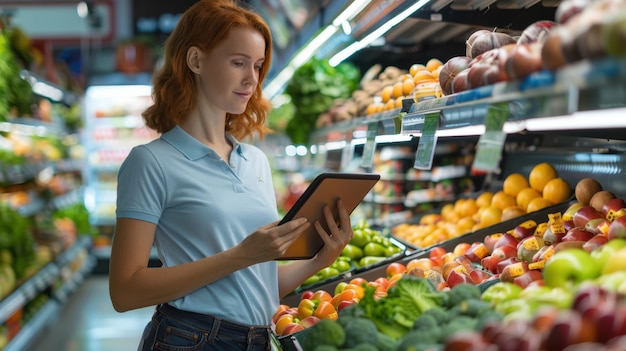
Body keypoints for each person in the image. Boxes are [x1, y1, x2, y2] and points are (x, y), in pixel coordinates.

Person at [108, 0, 354, 350]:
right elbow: (124, 291)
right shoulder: (150, 162)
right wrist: (240, 255)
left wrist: (319, 260)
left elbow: (257, 286)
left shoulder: (254, 160)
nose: (251, 79)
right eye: (238, 62)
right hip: (188, 339)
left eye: (256, 66)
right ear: (195, 60)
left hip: (258, 338)